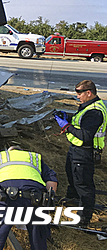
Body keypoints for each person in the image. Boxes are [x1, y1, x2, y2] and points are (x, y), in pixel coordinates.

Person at [0, 146, 58, 250]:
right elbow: (52, 181)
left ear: (9, 150)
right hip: (34, 198)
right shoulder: (34, 158)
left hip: (6, 197)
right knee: (38, 236)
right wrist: (46, 201)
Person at [54, 79, 107, 227]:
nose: (77, 96)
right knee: (72, 175)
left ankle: (83, 219)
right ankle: (72, 201)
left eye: (79, 93)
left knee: (83, 185)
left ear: (88, 93)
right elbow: (80, 121)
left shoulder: (95, 112)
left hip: (85, 152)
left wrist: (66, 126)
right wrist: (67, 117)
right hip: (76, 150)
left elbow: (85, 135)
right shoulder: (87, 106)